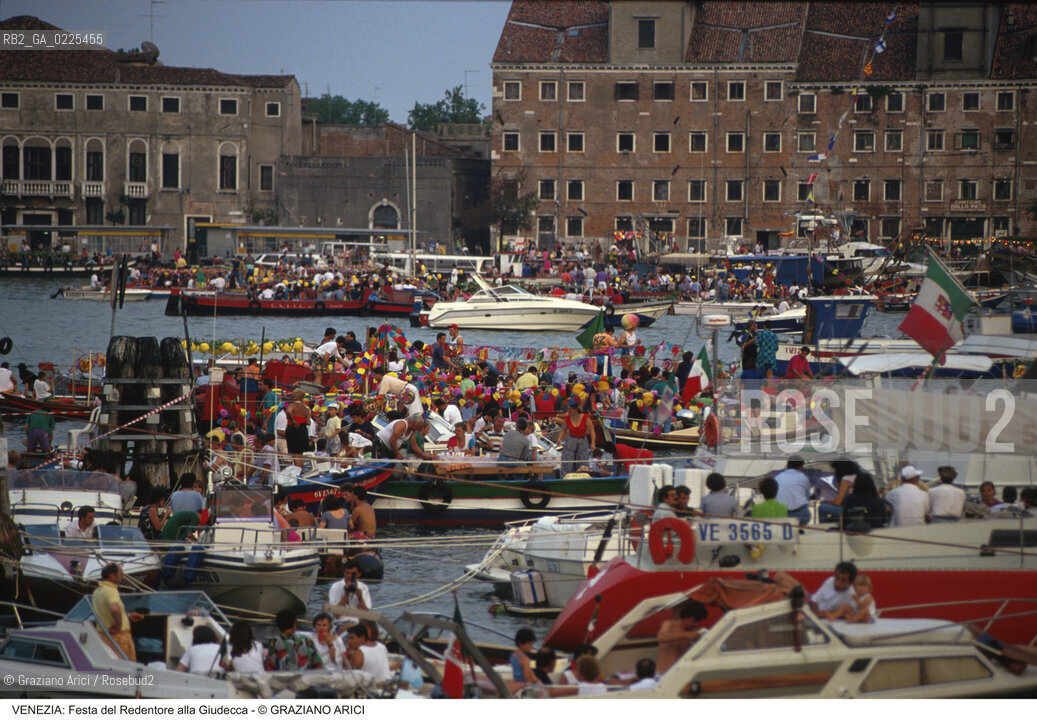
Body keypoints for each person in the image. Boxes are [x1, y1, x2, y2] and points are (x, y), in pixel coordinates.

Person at [92, 563, 143, 660]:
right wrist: (118, 625)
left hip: (104, 636)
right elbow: (115, 609)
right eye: (120, 574)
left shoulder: (97, 591)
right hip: (117, 638)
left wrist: (128, 617)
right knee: (126, 666)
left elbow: (106, 612)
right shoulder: (111, 590)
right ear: (112, 576)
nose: (122, 576)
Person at [656, 599, 707, 673]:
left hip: (681, 673)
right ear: (686, 616)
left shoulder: (694, 631)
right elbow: (661, 637)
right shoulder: (669, 624)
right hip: (663, 672)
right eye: (695, 620)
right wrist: (685, 635)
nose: (697, 624)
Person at [556, 398, 595, 476]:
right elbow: (563, 430)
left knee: (582, 462)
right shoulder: (567, 418)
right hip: (571, 441)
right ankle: (566, 477)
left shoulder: (585, 418)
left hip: (582, 441)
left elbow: (592, 431)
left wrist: (593, 443)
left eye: (570, 409)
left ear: (575, 409)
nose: (568, 411)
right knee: (567, 461)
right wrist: (559, 439)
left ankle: (583, 477)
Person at [773, 456, 812, 526]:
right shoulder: (803, 477)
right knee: (807, 513)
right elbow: (807, 496)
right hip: (800, 515)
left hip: (782, 515)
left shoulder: (777, 477)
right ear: (800, 467)